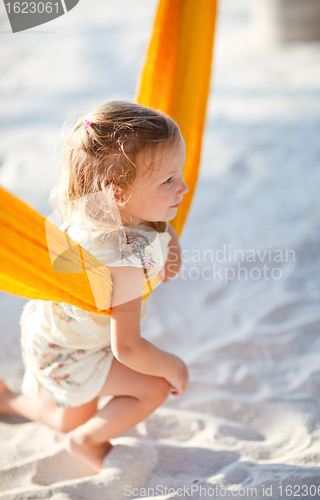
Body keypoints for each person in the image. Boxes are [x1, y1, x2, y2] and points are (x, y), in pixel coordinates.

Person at [0, 101, 189, 471]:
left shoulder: (91, 207)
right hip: (73, 353)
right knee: (154, 388)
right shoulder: (126, 260)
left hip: (55, 332)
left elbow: (158, 223)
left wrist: (172, 242)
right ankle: (86, 441)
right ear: (117, 193)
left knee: (68, 415)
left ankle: (8, 400)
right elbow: (129, 348)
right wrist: (175, 366)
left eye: (180, 172)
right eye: (168, 180)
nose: (184, 186)